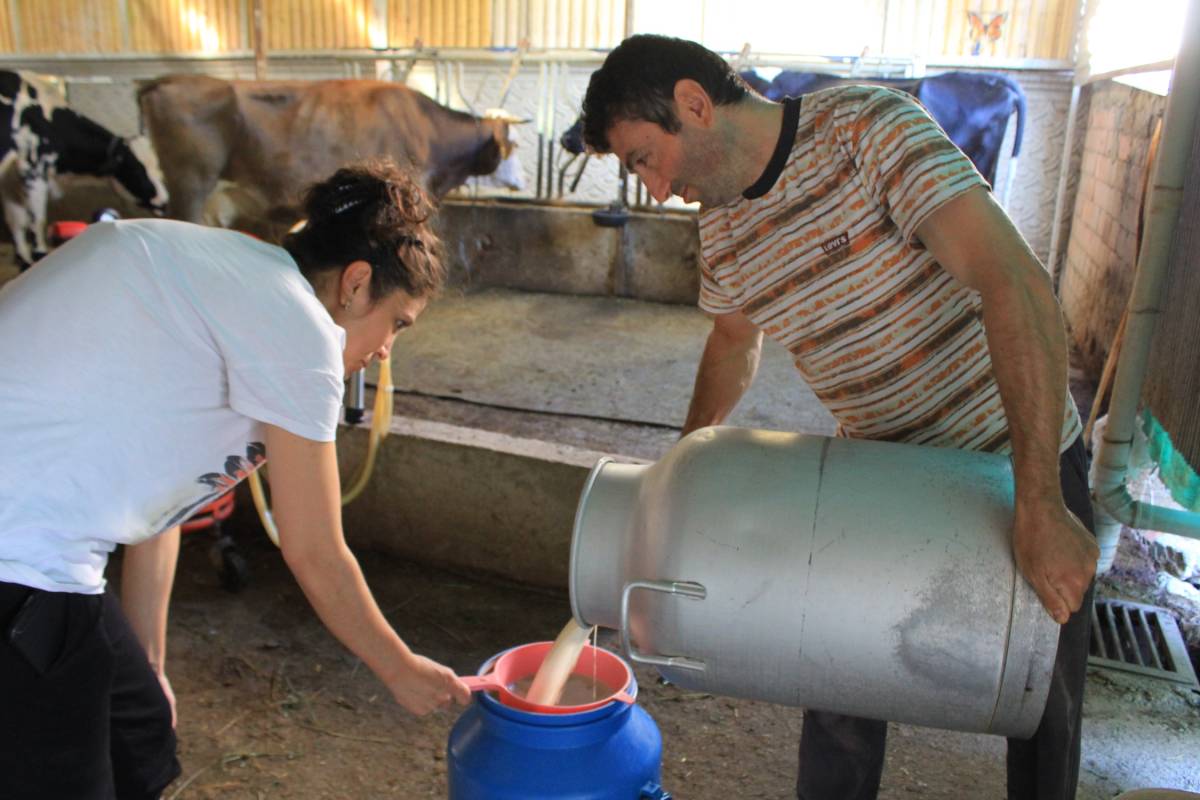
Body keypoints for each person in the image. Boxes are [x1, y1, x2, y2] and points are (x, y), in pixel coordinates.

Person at [580, 35, 1100, 800]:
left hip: (1014, 456)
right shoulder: (722, 229)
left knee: (1041, 699)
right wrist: (679, 473)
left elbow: (1013, 281)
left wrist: (1040, 502)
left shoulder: (865, 132)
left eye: (642, 158)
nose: (653, 189)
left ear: (693, 104)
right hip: (880, 474)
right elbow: (733, 344)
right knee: (833, 682)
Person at [0, 160, 472, 800]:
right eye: (398, 323)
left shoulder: (222, 275)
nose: (388, 348)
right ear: (356, 284)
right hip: (20, 559)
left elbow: (156, 507)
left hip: (41, 548)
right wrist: (400, 668)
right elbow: (315, 550)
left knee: (138, 732)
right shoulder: (297, 326)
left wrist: (152, 663)